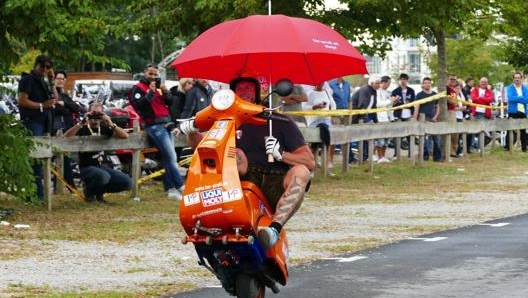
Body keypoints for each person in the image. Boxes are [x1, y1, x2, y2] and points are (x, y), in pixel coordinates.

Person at [180, 77, 315, 249]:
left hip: (276, 183)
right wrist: (191, 131)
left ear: (258, 92)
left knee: (301, 171)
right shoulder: (226, 121)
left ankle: (274, 229)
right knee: (236, 154)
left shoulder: (280, 121)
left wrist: (281, 154)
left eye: (248, 88)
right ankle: (205, 221)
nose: (244, 93)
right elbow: (203, 144)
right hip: (243, 182)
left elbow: (309, 162)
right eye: (239, 89)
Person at [129, 64, 185, 199]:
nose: (153, 77)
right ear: (144, 73)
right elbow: (138, 106)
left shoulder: (160, 87)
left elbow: (171, 102)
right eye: (150, 74)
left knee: (168, 157)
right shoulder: (137, 88)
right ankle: (181, 186)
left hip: (167, 123)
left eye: (155, 74)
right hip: (153, 125)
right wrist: (150, 93)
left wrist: (165, 92)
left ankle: (170, 189)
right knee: (172, 157)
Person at [64, 102, 132, 203]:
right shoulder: (83, 128)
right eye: (93, 113)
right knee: (103, 176)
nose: (95, 116)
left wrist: (110, 122)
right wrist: (81, 122)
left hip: (103, 165)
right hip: (87, 167)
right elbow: (66, 137)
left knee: (127, 182)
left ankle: (99, 194)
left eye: (99, 113)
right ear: (88, 113)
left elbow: (125, 136)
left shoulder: (104, 128)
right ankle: (90, 192)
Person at [17, 54, 59, 202]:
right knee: (35, 159)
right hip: (32, 121)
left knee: (40, 159)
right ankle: (35, 194)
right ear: (36, 65)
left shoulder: (44, 81)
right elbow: (22, 100)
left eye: (48, 67)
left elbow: (55, 99)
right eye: (42, 66)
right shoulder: (28, 79)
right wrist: (42, 105)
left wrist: (52, 81)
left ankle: (37, 193)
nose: (44, 69)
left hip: (44, 122)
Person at [52, 70, 80, 190]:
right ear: (53, 79)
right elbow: (55, 109)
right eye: (58, 78)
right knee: (62, 159)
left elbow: (76, 108)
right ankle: (71, 187)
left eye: (63, 78)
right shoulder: (50, 94)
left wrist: (65, 104)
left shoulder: (65, 96)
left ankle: (69, 187)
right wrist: (65, 107)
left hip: (68, 129)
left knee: (65, 158)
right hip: (56, 130)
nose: (61, 80)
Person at [303, 82, 337, 172]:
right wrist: (315, 107)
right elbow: (304, 107)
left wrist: (332, 114)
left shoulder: (327, 92)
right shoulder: (310, 93)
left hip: (326, 119)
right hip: (314, 120)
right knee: (313, 144)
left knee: (331, 136)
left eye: (322, 83)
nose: (320, 84)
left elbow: (333, 105)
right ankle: (312, 165)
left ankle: (328, 161)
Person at [351, 75, 381, 161]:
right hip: (356, 117)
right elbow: (362, 106)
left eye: (379, 83)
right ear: (371, 83)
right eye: (377, 83)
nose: (379, 85)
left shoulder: (374, 91)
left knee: (366, 138)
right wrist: (366, 120)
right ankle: (359, 157)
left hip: (365, 116)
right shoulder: (365, 90)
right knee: (360, 138)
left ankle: (365, 156)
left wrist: (376, 120)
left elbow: (374, 107)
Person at [414, 77, 441, 162]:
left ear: (430, 84)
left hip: (432, 119)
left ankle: (437, 157)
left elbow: (437, 107)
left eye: (428, 83)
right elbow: (417, 108)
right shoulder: (419, 95)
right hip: (422, 119)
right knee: (423, 139)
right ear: (422, 84)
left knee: (436, 139)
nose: (427, 84)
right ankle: (424, 156)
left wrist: (436, 117)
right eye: (425, 83)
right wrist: (415, 119)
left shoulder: (435, 94)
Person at [504, 72, 528, 152]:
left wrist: (517, 98)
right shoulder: (510, 88)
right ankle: (507, 147)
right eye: (516, 78)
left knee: (523, 131)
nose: (517, 79)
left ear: (521, 79)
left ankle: (524, 148)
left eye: (518, 78)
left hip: (523, 112)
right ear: (513, 79)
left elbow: (527, 99)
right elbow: (510, 98)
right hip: (513, 111)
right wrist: (521, 98)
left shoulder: (525, 88)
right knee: (510, 129)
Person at [374, 75, 394, 163]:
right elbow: (378, 104)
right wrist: (390, 101)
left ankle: (383, 156)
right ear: (384, 82)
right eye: (388, 83)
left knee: (387, 139)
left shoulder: (387, 92)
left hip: (387, 118)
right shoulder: (377, 92)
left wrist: (393, 102)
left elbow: (388, 105)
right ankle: (380, 156)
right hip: (380, 118)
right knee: (380, 139)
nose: (389, 85)